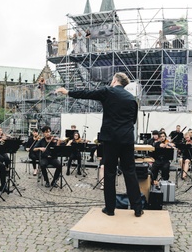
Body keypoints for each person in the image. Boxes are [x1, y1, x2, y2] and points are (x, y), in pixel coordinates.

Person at [55, 72, 144, 217]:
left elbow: (87, 93)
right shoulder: (132, 99)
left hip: (111, 139)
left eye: (112, 80)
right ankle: (137, 208)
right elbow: (133, 120)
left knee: (109, 172)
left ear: (115, 80)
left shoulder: (108, 91)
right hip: (127, 138)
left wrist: (68, 92)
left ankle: (110, 208)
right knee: (130, 171)